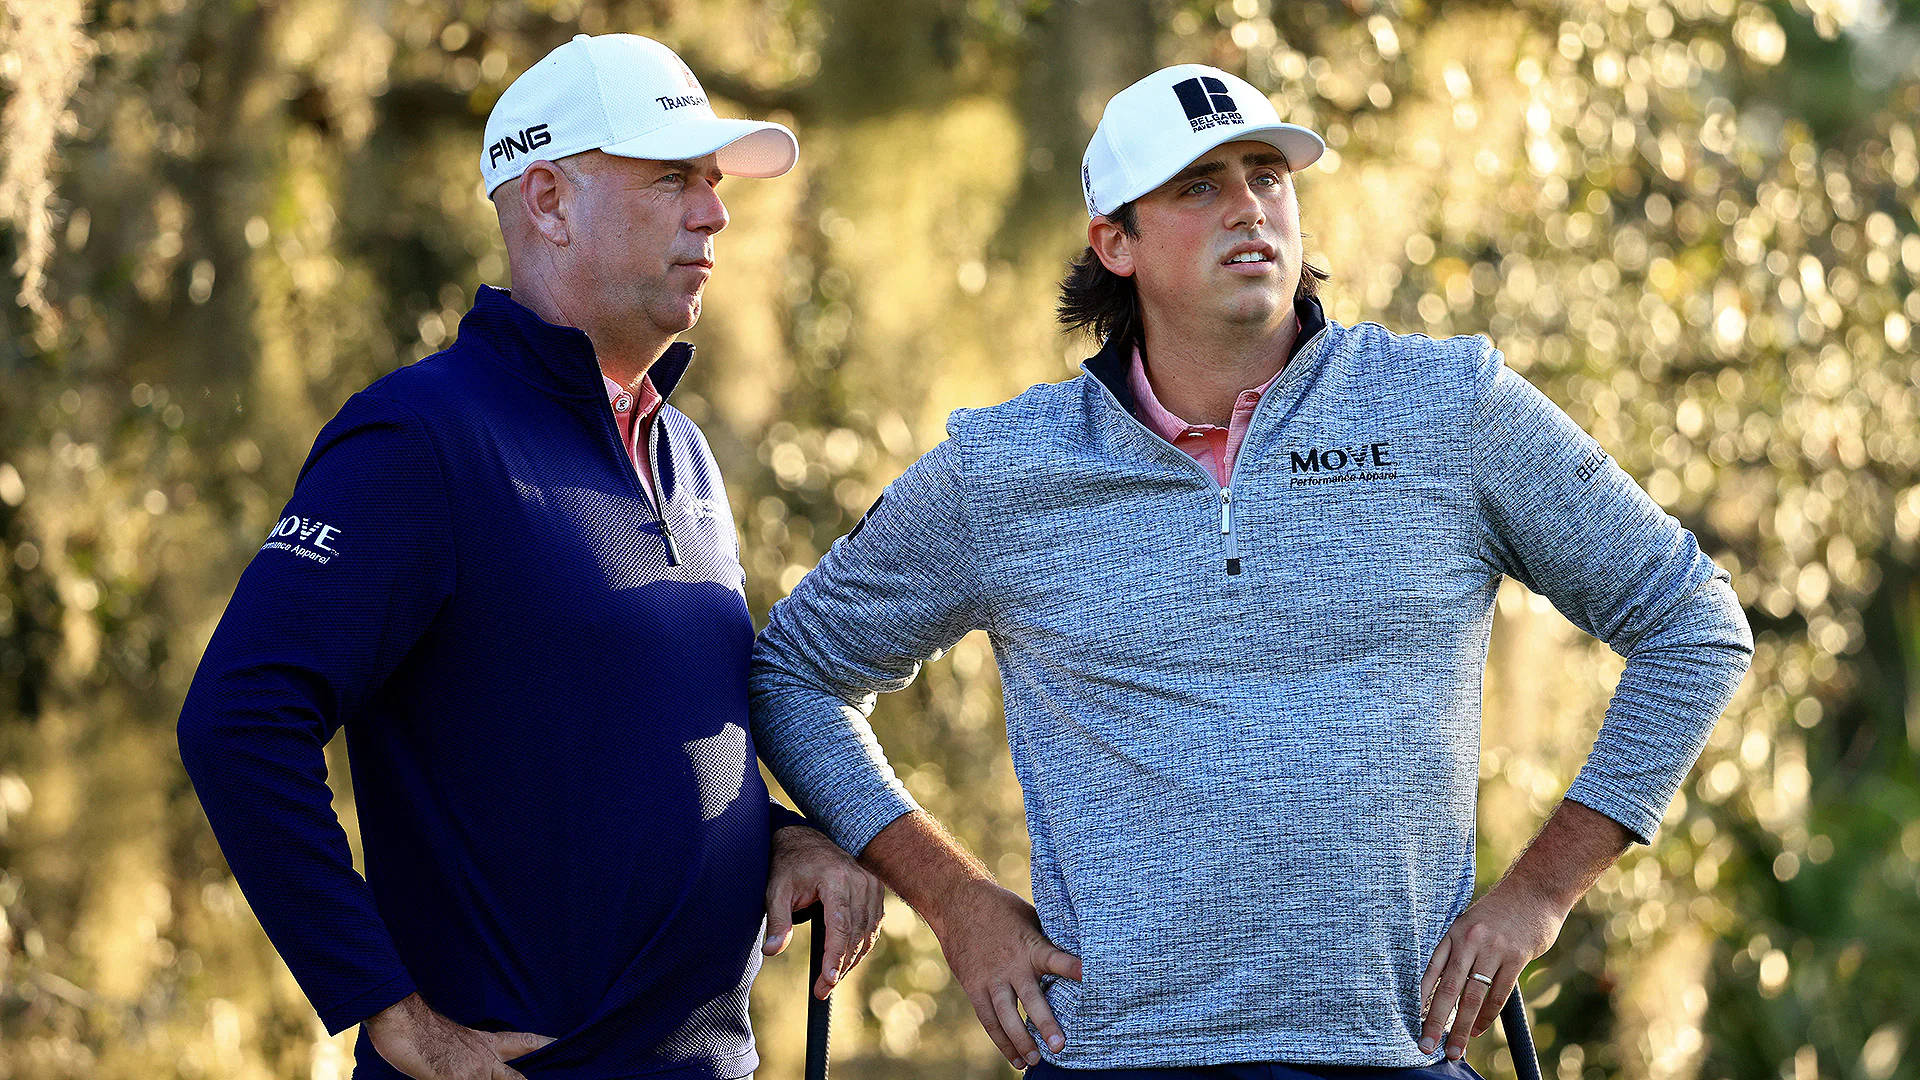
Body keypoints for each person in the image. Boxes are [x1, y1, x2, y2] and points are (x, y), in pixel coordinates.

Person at [749, 63, 1752, 1077]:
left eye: (1268, 175)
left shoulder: (1450, 409)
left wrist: (1540, 891)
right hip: (1116, 1059)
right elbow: (795, 673)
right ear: (1116, 241)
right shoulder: (1005, 468)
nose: (1249, 210)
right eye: (1199, 187)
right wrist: (955, 901)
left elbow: (1692, 622)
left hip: (1399, 1054)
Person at [179, 34, 882, 1080]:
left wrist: (780, 838)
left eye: (715, 180)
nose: (716, 212)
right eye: (673, 178)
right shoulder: (422, 439)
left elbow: (608, 742)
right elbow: (239, 718)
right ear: (547, 201)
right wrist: (391, 1012)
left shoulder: (680, 448)